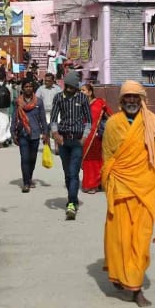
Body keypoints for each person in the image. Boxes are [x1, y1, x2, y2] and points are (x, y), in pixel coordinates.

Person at [101, 80, 155, 307]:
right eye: (127, 97)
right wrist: (108, 184)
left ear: (141, 99)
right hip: (120, 189)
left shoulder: (151, 122)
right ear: (121, 101)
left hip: (145, 190)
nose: (131, 101)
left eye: (135, 97)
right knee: (120, 239)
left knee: (140, 241)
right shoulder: (112, 124)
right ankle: (122, 275)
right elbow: (108, 158)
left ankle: (136, 288)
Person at [50, 71, 92, 220]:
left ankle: (71, 204)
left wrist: (85, 137)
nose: (68, 90)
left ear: (75, 87)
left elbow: (89, 120)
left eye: (71, 87)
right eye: (67, 86)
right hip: (63, 141)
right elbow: (54, 118)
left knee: (74, 173)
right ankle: (72, 198)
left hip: (77, 141)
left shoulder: (82, 98)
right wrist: (56, 135)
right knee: (67, 173)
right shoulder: (58, 98)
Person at [11, 78, 49, 193]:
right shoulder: (18, 102)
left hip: (35, 134)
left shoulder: (38, 102)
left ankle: (29, 177)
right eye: (26, 86)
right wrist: (13, 132)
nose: (28, 88)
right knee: (24, 158)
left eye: (30, 86)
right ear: (22, 89)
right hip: (22, 133)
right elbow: (14, 117)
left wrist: (46, 133)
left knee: (32, 159)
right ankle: (26, 183)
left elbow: (42, 118)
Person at [80, 83, 114, 193]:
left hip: (97, 137)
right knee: (87, 161)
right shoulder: (80, 105)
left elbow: (111, 116)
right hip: (85, 137)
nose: (81, 92)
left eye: (83, 90)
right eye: (80, 90)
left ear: (90, 92)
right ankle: (90, 183)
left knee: (97, 160)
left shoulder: (99, 103)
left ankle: (94, 185)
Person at [36, 73, 62, 152]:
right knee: (46, 130)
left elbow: (62, 99)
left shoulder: (58, 89)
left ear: (52, 81)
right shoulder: (40, 89)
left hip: (55, 112)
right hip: (44, 113)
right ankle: (48, 148)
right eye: (45, 81)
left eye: (48, 81)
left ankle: (57, 147)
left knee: (56, 130)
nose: (46, 82)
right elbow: (36, 100)